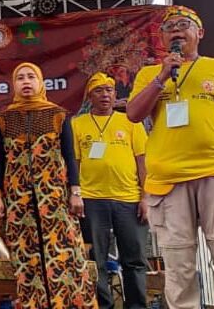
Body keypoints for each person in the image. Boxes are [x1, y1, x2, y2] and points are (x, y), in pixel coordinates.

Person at [127, 5, 214, 307]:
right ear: (162, 38)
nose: (176, 31)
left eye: (184, 25)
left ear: (200, 32)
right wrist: (161, 78)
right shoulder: (149, 74)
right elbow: (133, 114)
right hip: (168, 181)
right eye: (169, 28)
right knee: (179, 265)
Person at [0, 62, 97, 309]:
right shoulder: (4, 119)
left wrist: (75, 192)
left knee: (64, 252)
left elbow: (69, 157)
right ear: (14, 85)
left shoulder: (58, 115)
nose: (26, 82)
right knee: (26, 256)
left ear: (40, 82)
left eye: (31, 77)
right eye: (20, 78)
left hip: (55, 196)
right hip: (19, 199)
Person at [72, 72, 149, 309]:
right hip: (91, 200)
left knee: (134, 260)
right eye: (99, 91)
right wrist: (75, 194)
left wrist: (145, 197)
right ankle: (103, 305)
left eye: (109, 90)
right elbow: (74, 163)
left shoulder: (131, 121)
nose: (105, 95)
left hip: (129, 199)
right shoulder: (77, 124)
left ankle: (136, 306)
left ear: (115, 94)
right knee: (96, 260)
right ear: (89, 96)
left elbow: (142, 161)